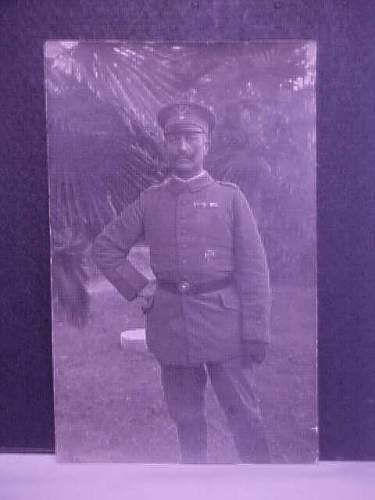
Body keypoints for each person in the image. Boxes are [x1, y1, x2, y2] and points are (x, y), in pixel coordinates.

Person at [92, 102, 272, 463]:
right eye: (174, 139)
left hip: (226, 331)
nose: (183, 147)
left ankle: (263, 484)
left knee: (244, 417)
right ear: (165, 144)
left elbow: (254, 272)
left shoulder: (230, 198)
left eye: (192, 138)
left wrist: (256, 332)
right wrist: (141, 287)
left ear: (207, 144)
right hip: (171, 329)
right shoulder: (150, 200)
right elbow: (106, 247)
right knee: (187, 419)